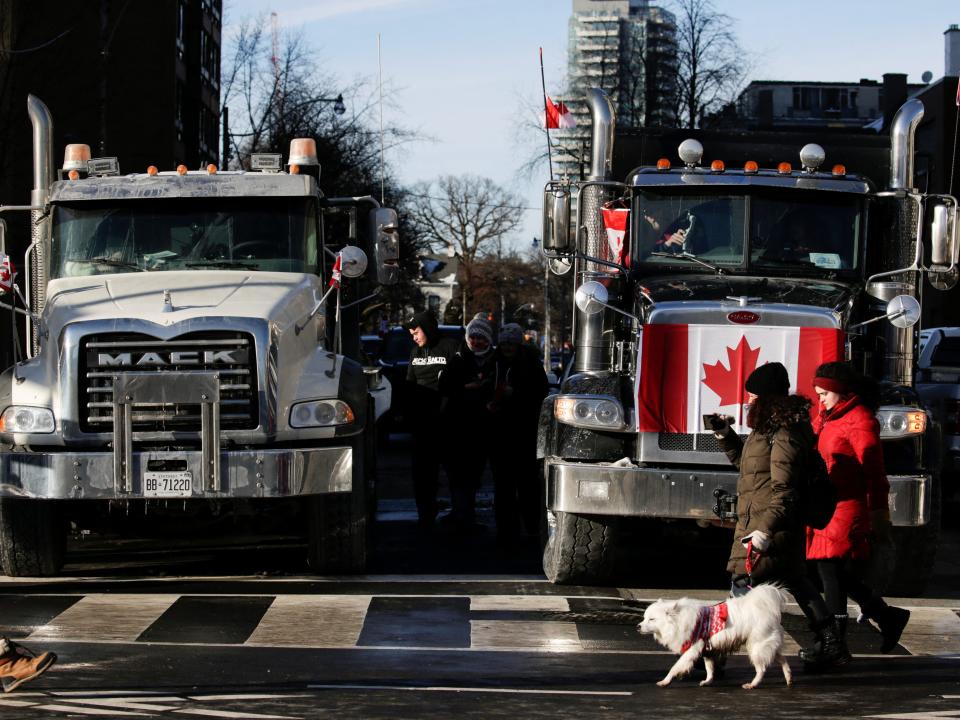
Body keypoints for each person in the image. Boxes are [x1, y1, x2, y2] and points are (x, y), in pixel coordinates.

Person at [711, 362, 846, 669]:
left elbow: (784, 490)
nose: (747, 400)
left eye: (753, 395)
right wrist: (724, 435)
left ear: (768, 398)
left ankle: (717, 654)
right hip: (770, 523)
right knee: (794, 579)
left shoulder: (784, 434)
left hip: (768, 525)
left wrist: (763, 532)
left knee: (742, 584)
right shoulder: (770, 429)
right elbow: (750, 469)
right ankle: (831, 642)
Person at [803, 362, 910, 663]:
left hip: (848, 506)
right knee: (831, 571)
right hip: (828, 504)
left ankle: (834, 644)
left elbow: (875, 472)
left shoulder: (859, 420)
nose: (819, 399)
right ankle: (887, 616)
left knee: (828, 569)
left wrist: (879, 514)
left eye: (824, 393)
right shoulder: (826, 417)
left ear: (839, 392)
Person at [488, 323, 549, 540]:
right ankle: (506, 530)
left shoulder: (531, 364)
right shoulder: (493, 362)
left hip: (524, 433)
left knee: (526, 485)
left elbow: (541, 393)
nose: (506, 347)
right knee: (503, 486)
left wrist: (516, 394)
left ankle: (532, 528)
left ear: (518, 344)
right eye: (503, 343)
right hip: (498, 433)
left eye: (510, 343)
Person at [439, 315, 498, 532]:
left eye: (481, 338)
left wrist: (486, 389)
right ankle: (459, 514)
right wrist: (465, 389)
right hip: (457, 427)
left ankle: (468, 515)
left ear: (489, 339)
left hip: (482, 428)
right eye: (472, 337)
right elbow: (445, 387)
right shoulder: (458, 359)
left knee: (474, 473)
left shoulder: (495, 360)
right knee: (456, 473)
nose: (476, 342)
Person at [405, 310, 459, 528]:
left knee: (454, 471)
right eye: (411, 334)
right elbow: (409, 381)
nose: (414, 337)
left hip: (447, 422)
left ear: (426, 328)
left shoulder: (449, 347)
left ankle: (460, 513)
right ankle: (425, 514)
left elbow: (459, 378)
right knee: (423, 473)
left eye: (416, 332)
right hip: (422, 424)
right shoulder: (414, 353)